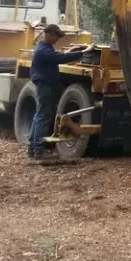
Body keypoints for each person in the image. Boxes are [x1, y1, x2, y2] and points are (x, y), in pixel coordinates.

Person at [28, 24, 94, 160]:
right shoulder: (43, 50)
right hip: (46, 87)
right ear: (49, 34)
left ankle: (32, 148)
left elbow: (56, 55)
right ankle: (39, 150)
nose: (58, 39)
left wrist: (71, 50)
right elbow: (59, 58)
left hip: (45, 86)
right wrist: (84, 52)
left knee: (39, 116)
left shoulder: (44, 48)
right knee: (43, 117)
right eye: (57, 36)